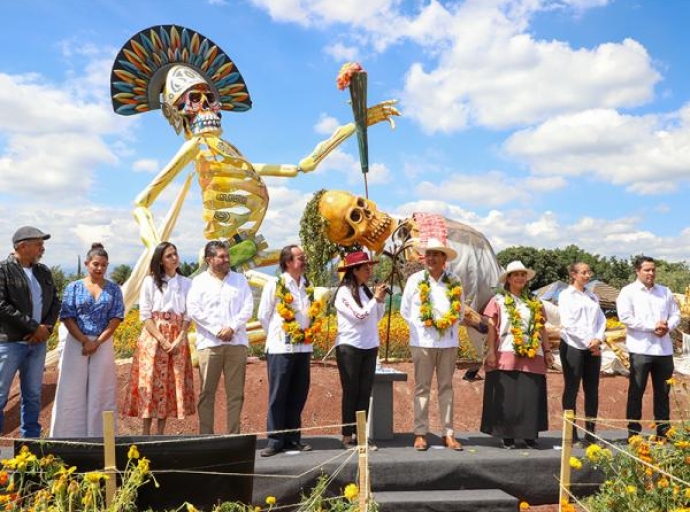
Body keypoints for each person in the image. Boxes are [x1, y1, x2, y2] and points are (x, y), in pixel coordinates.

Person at [50, 243, 125, 437]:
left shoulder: (114, 289)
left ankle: (101, 438)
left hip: (103, 342)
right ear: (87, 264)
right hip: (76, 342)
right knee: (71, 390)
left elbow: (116, 317)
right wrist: (84, 341)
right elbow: (67, 316)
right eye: (96, 264)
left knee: (103, 391)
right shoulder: (73, 287)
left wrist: (97, 342)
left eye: (104, 265)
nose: (100, 268)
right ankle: (67, 438)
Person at [124, 241, 196, 435]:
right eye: (169, 256)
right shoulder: (150, 282)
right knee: (150, 381)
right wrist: (161, 339)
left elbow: (189, 315)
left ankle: (160, 433)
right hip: (153, 336)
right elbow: (145, 316)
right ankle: (145, 433)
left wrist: (180, 337)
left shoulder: (187, 283)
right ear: (161, 261)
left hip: (177, 336)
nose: (174, 258)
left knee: (170, 382)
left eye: (175, 254)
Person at [481, 261, 554, 449]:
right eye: (516, 275)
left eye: (523, 274)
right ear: (508, 279)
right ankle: (507, 435)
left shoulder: (535, 302)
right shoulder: (498, 300)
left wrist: (547, 350)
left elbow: (542, 328)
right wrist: (490, 350)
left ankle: (529, 434)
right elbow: (491, 327)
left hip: (533, 353)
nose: (520, 278)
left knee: (530, 395)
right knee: (508, 395)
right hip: (506, 350)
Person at [401, 238, 465, 451]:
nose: (431, 258)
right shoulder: (415, 280)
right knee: (422, 388)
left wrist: (443, 326)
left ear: (444, 258)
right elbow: (405, 311)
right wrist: (422, 330)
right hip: (422, 342)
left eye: (436, 254)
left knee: (446, 388)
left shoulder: (454, 281)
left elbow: (461, 312)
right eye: (428, 254)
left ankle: (448, 433)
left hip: (448, 342)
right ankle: (420, 433)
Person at [187, 240, 253, 434]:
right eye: (221, 256)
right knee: (207, 393)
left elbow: (247, 307)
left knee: (236, 394)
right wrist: (217, 330)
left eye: (227, 256)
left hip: (236, 343)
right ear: (209, 259)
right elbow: (194, 311)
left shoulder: (239, 280)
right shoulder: (198, 282)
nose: (227, 260)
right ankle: (206, 437)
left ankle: (233, 436)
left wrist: (232, 327)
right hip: (209, 344)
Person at [257, 245, 318, 457]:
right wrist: (278, 335)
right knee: (278, 395)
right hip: (281, 348)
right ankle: (275, 441)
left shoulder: (307, 284)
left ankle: (293, 439)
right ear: (288, 262)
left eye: (304, 257)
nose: (304, 261)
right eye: (300, 258)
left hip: (303, 347)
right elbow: (263, 316)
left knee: (298, 394)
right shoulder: (275, 284)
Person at [0, 226, 60, 437]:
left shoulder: (43, 271)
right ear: (23, 246)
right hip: (10, 343)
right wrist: (34, 327)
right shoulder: (3, 270)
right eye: (38, 244)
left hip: (37, 344)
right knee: (1, 395)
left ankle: (30, 448)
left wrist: (45, 330)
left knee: (33, 395)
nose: (42, 248)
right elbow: (2, 306)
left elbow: (54, 302)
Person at [616, 256, 680, 441]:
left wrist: (668, 325)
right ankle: (634, 433)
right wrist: (653, 326)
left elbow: (675, 313)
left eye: (653, 270)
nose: (651, 273)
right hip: (640, 350)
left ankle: (663, 433)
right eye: (647, 270)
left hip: (663, 350)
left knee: (663, 393)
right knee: (636, 392)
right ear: (637, 271)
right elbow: (625, 317)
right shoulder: (628, 292)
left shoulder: (665, 291)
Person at [333, 251, 387, 450]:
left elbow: (376, 317)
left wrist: (379, 300)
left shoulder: (365, 291)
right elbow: (360, 315)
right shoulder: (343, 292)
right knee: (351, 392)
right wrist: (375, 300)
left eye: (369, 266)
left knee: (364, 392)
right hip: (350, 347)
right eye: (365, 267)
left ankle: (361, 437)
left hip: (369, 347)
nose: (369, 270)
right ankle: (347, 437)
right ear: (354, 270)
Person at [558, 262, 606, 446]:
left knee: (592, 390)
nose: (587, 275)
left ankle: (591, 434)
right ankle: (571, 434)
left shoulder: (593, 296)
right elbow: (568, 323)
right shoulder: (565, 295)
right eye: (583, 272)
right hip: (573, 345)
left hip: (593, 347)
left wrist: (598, 339)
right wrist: (588, 342)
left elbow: (601, 320)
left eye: (589, 272)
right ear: (573, 274)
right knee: (572, 387)